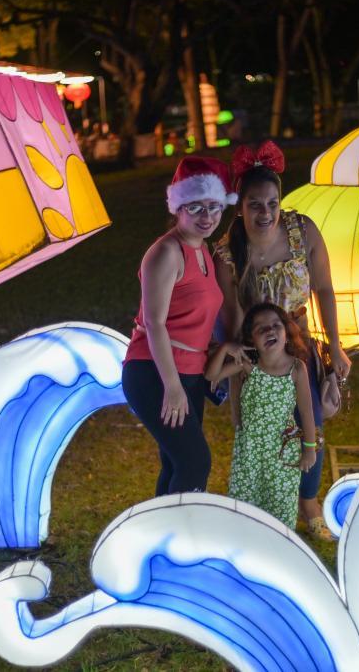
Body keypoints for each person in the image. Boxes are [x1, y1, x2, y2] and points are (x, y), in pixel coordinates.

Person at [214, 140, 351, 542]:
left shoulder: (301, 231)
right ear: (240, 207)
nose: (266, 213)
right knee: (263, 427)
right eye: (255, 204)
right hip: (259, 350)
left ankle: (309, 503)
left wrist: (336, 345)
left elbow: (324, 288)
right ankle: (267, 499)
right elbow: (233, 319)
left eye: (272, 203)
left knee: (311, 419)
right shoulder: (228, 254)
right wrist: (242, 371)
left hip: (300, 342)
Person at [122, 156, 237, 495]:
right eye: (196, 207)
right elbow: (155, 323)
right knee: (195, 462)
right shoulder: (166, 253)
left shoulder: (203, 250)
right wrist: (172, 387)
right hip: (155, 372)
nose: (207, 217)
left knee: (176, 463)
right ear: (178, 207)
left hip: (190, 372)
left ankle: (162, 525)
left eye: (215, 207)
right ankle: (182, 525)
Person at [205, 303, 317, 528]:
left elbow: (306, 411)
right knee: (244, 507)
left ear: (287, 332)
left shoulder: (297, 369)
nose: (270, 330)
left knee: (281, 506)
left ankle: (279, 543)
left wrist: (310, 448)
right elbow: (211, 375)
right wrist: (226, 348)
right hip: (250, 451)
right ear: (251, 340)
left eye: (276, 325)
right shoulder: (248, 365)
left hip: (283, 452)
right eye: (261, 329)